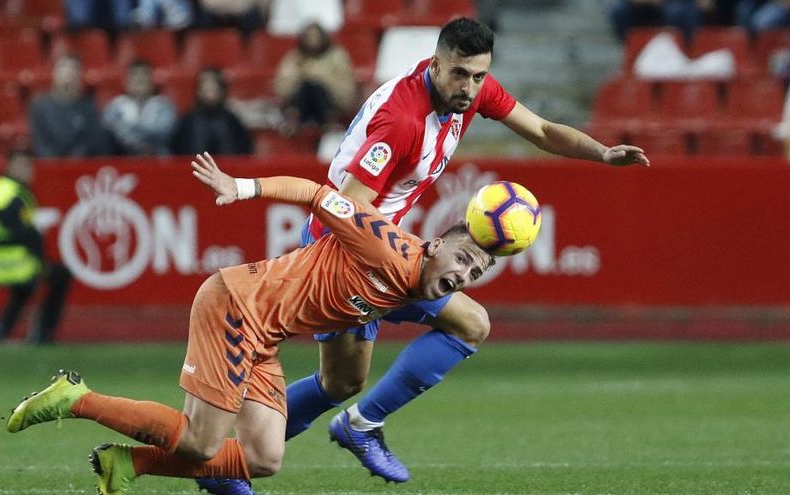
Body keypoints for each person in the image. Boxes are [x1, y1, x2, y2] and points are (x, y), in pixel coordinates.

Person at [203, 17, 650, 493]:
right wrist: (400, 256)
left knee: (353, 378)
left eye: (479, 76)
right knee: (365, 372)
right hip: (344, 255)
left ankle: (293, 444)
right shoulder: (402, 122)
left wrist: (602, 154)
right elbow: (346, 207)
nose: (470, 87)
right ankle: (238, 459)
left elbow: (539, 128)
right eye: (460, 74)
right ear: (436, 64)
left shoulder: (470, 92)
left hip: (381, 250)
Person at [5, 152, 495, 495]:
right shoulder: (382, 243)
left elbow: (453, 317)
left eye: (475, 273)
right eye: (462, 259)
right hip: (236, 308)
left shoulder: (418, 284)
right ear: (435, 244)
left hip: (265, 335)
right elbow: (316, 192)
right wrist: (241, 188)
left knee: (263, 459)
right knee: (201, 442)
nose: (463, 274)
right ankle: (77, 399)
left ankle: (125, 463)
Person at [0, 150, 72, 344]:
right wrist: (39, 258)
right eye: (23, 165)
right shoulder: (12, 195)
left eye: (29, 165)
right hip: (5, 263)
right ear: (9, 167)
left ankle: (2, 329)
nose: (28, 170)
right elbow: (20, 230)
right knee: (59, 274)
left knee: (26, 287)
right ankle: (43, 333)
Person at [273, 22, 357, 132]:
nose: (313, 40)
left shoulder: (337, 57)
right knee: (307, 86)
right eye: (309, 37)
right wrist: (300, 76)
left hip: (330, 103)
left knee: (316, 87)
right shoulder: (294, 58)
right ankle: (293, 122)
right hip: (301, 103)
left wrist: (320, 77)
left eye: (316, 36)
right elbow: (282, 88)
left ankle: (330, 121)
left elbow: (347, 90)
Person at [29, 54, 108, 158]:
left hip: (81, 167)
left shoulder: (89, 108)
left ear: (79, 76)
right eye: (63, 69)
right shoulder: (39, 107)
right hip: (49, 166)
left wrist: (74, 161)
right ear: (54, 73)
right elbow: (40, 143)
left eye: (73, 70)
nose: (68, 74)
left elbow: (91, 142)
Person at [103, 59, 178, 156]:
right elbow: (109, 133)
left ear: (152, 80)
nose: (139, 79)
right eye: (134, 75)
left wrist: (129, 127)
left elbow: (163, 134)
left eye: (144, 75)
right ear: (126, 81)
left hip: (157, 159)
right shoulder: (115, 106)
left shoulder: (164, 105)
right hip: (123, 159)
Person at [172, 68, 254, 156]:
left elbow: (245, 151)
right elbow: (176, 152)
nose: (209, 90)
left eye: (213, 86)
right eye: (205, 86)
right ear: (198, 91)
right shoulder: (187, 121)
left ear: (222, 90)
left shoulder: (232, 121)